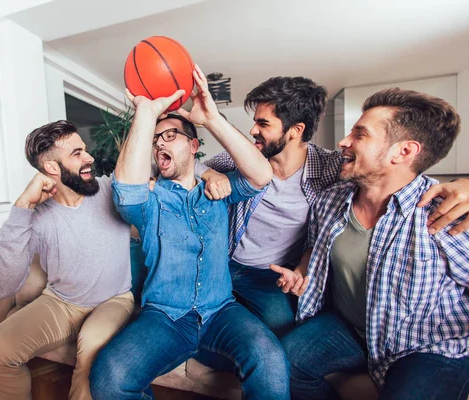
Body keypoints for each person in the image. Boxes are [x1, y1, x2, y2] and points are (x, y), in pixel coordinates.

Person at [198, 76, 469, 338]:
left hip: (273, 274)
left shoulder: (333, 169)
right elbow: (192, 168)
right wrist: (209, 174)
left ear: (296, 130)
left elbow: (390, 173)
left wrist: (463, 185)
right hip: (226, 263)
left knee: (281, 332)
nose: (253, 131)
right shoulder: (240, 160)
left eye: (263, 123)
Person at [90, 66, 290, 399]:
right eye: (155, 141)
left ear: (193, 145)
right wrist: (146, 112)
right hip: (164, 317)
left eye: (169, 136)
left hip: (222, 312)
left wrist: (211, 118)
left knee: (269, 358)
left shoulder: (218, 190)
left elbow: (260, 174)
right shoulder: (150, 199)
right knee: (110, 376)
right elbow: (126, 192)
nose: (159, 145)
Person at [281, 88, 469, 400]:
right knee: (282, 364)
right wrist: (303, 269)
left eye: (360, 134)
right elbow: (315, 246)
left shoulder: (446, 213)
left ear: (403, 152)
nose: (343, 142)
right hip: (351, 330)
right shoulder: (330, 201)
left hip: (427, 347)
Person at [0, 120, 134, 400]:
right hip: (61, 302)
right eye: (77, 153)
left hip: (115, 300)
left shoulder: (113, 190)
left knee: (88, 371)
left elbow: (157, 171)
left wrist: (206, 175)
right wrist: (22, 206)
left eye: (84, 150)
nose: (90, 158)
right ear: (51, 168)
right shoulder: (35, 216)